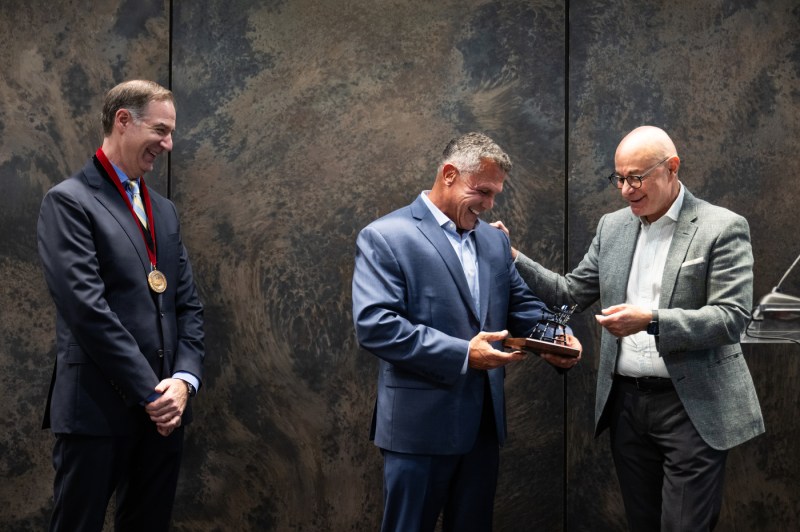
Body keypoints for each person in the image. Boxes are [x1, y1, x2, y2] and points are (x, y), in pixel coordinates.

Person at [497, 125, 764, 531]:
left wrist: (650, 320)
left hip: (692, 405)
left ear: (672, 168)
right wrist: (513, 254)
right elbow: (569, 293)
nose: (625, 190)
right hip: (626, 406)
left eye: (636, 178)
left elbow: (731, 318)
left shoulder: (722, 227)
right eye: (619, 178)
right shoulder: (613, 227)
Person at [352, 132, 582, 532]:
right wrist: (463, 354)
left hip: (482, 430)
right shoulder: (385, 236)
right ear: (449, 175)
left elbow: (522, 307)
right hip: (417, 431)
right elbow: (375, 325)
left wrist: (555, 338)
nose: (490, 205)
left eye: (495, 194)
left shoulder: (494, 241)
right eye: (483, 191)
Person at [37, 79, 205, 531]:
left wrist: (183, 383)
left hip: (165, 414)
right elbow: (87, 311)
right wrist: (152, 394)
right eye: (160, 131)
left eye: (171, 133)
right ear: (123, 121)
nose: (168, 145)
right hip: (97, 412)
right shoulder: (68, 202)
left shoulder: (164, 211)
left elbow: (188, 307)